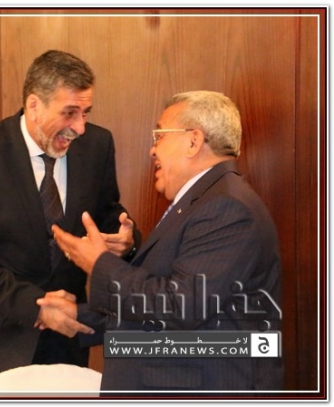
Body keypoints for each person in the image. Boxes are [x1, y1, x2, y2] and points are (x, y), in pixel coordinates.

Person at [41, 90, 284, 394]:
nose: (152, 151)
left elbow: (181, 306)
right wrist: (82, 316)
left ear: (193, 141)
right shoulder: (205, 202)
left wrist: (99, 263)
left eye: (159, 137)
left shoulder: (226, 207)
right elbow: (167, 299)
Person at [0, 49, 141, 391]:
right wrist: (35, 307)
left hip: (67, 342)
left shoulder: (98, 145)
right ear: (34, 105)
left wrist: (125, 238)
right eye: (69, 113)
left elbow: (106, 210)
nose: (80, 127)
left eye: (85, 113)